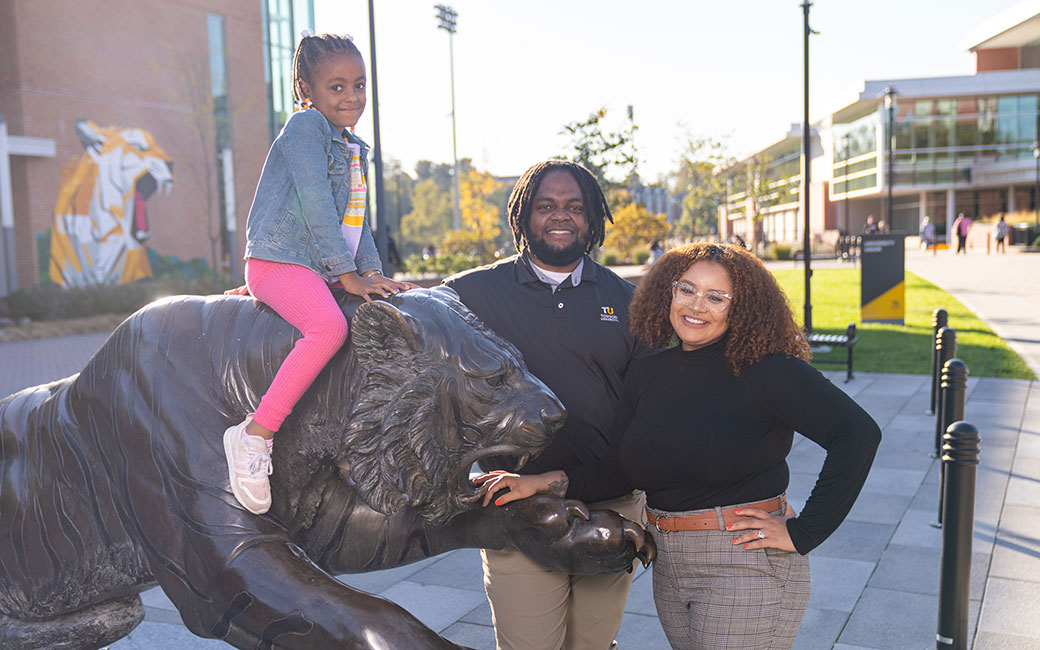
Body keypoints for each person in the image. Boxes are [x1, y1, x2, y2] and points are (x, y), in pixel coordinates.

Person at [478, 242, 882, 650]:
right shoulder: (648, 373)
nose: (697, 306)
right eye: (686, 289)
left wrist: (804, 532)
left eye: (716, 297)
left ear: (741, 307)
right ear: (667, 294)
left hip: (744, 562)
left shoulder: (768, 371)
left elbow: (858, 434)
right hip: (670, 562)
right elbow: (621, 470)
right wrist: (539, 483)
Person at [444, 160, 646, 650]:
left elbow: (653, 409)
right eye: (547, 205)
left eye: (574, 206)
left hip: (611, 508)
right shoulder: (469, 294)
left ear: (593, 216)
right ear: (523, 216)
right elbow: (400, 324)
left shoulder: (629, 300)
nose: (562, 216)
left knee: (592, 646)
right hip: (518, 509)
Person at [223, 31, 412, 514]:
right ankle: (255, 434)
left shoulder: (352, 146)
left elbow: (356, 219)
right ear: (306, 90)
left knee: (380, 316)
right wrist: (347, 275)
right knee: (328, 327)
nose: (352, 97)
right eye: (337, 87)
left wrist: (373, 273)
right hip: (279, 260)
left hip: (318, 266)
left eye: (360, 85)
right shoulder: (306, 129)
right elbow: (313, 204)